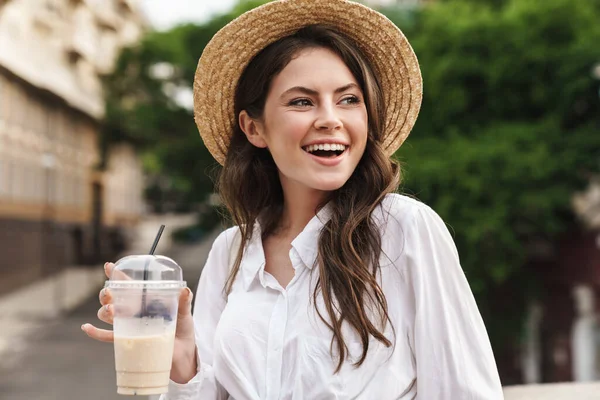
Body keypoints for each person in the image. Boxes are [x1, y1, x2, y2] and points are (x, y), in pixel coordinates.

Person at [82, 0, 504, 398]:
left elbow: (464, 389)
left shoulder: (405, 229)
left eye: (349, 99)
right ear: (254, 128)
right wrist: (183, 364)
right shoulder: (231, 252)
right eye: (302, 101)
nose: (330, 119)